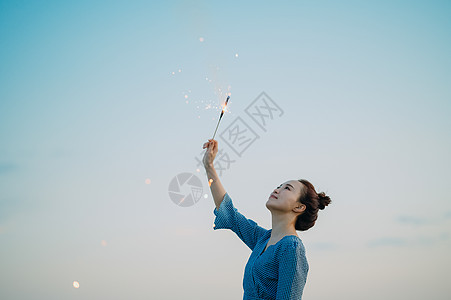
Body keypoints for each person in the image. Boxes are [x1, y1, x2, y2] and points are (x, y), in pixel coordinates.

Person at [202, 139, 331, 300]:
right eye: (279, 185)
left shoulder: (291, 248)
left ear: (299, 207)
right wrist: (209, 166)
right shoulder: (262, 239)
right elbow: (230, 215)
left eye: (287, 188)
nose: (277, 189)